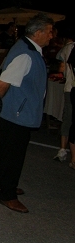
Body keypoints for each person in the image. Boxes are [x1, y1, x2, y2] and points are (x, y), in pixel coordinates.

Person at [0, 13, 54, 213]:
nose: (51, 36)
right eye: (49, 32)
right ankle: (7, 194)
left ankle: (4, 185)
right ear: (38, 33)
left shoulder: (27, 49)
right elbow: (3, 83)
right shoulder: (26, 54)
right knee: (14, 154)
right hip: (16, 114)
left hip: (15, 112)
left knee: (7, 152)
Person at [54, 31, 74, 162]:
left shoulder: (67, 48)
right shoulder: (70, 47)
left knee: (67, 119)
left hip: (70, 87)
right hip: (71, 87)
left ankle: (62, 149)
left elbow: (58, 58)